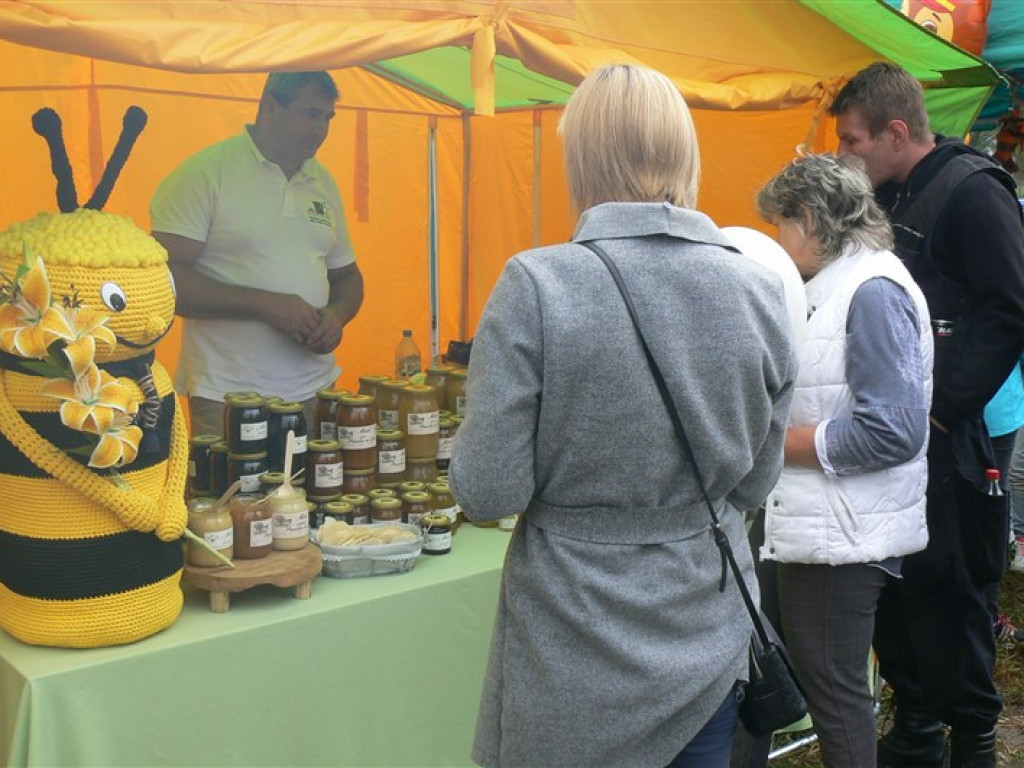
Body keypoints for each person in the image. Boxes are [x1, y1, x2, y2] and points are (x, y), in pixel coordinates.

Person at [448, 64, 796, 768]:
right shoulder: (762, 291)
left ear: (583, 158)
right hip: (705, 628)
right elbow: (756, 484)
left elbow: (487, 489)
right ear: (684, 153)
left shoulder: (537, 285)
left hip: (569, 645)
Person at [829, 61, 1024, 767]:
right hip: (896, 436)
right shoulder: (891, 190)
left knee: (953, 586)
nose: (845, 154)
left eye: (852, 141)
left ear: (897, 132)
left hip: (955, 433)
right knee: (897, 586)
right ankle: (914, 729)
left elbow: (1008, 312)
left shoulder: (973, 194)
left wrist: (939, 411)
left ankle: (972, 739)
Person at [756, 153, 933, 768]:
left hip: (843, 542)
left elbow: (894, 430)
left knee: (835, 697)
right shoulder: (838, 287)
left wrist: (775, 441)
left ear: (808, 220)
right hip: (815, 528)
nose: (777, 241)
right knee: (765, 672)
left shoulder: (873, 291)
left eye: (779, 224)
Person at [151, 71, 364, 437]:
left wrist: (336, 315)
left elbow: (347, 277)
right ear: (269, 107)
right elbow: (164, 280)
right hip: (228, 395)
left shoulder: (322, 180)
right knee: (233, 494)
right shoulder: (207, 172)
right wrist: (265, 305)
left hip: (314, 390)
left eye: (328, 118)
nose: (321, 130)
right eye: (310, 114)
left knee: (315, 494)